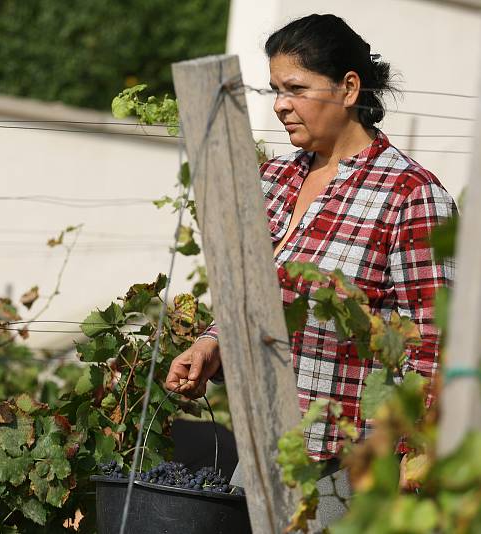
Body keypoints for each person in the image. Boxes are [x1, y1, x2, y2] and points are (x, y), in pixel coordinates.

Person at [164, 13, 456, 527]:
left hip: (352, 470)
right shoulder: (274, 178)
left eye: (295, 89)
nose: (279, 105)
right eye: (275, 89)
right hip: (264, 446)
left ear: (347, 88)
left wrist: (410, 469)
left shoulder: (411, 195)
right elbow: (250, 294)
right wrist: (212, 343)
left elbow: (433, 349)